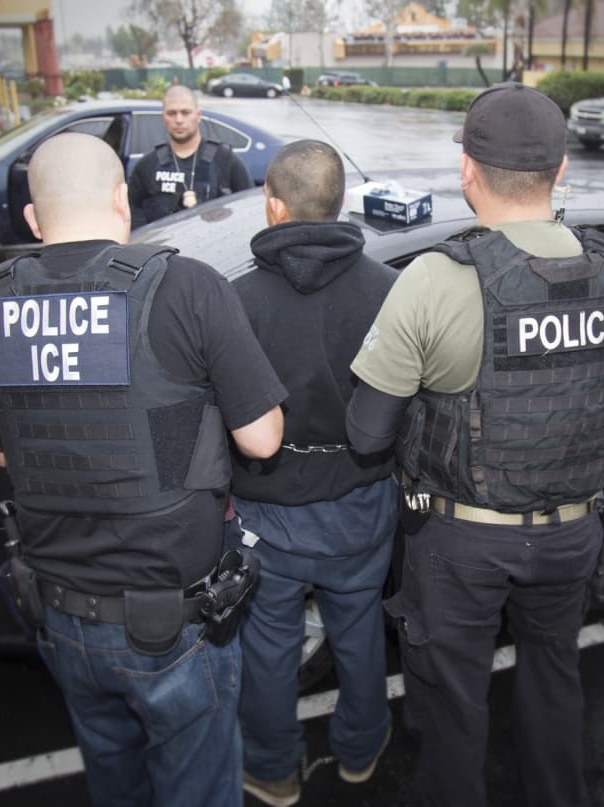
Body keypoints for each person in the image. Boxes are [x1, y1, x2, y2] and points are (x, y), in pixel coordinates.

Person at [0, 131, 286, 807]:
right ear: (122, 201)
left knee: (115, 783)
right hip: (170, 622)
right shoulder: (186, 288)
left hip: (61, 615)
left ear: (33, 219)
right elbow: (262, 440)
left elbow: (3, 456)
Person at [345, 83, 604, 807]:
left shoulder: (437, 278)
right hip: (575, 531)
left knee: (453, 708)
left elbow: (366, 431)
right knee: (555, 677)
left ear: (467, 170)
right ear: (561, 170)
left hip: (463, 542)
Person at [227, 139, 400, 807]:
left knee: (268, 648)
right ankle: (361, 750)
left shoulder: (236, 300)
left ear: (274, 206)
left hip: (266, 511)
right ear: (339, 203)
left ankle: (273, 770)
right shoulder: (389, 290)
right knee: (358, 631)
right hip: (360, 499)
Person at [128, 85, 253, 226]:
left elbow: (248, 208)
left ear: (198, 116)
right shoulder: (148, 165)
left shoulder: (224, 160)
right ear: (163, 117)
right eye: (171, 113)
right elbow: (132, 212)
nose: (179, 120)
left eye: (185, 112)